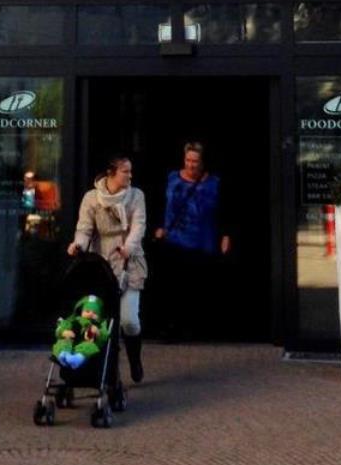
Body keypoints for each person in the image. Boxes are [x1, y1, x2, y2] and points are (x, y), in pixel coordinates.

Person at [67, 156, 147, 383]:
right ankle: (106, 370)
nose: (130, 176)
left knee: (129, 320)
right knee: (99, 320)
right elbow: (84, 229)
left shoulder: (136, 196)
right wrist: (78, 246)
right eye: (125, 171)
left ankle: (134, 358)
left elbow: (139, 226)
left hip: (128, 261)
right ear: (111, 173)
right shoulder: (92, 198)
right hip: (101, 264)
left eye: (130, 171)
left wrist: (128, 247)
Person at [152, 141, 232, 339]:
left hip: (202, 241)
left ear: (203, 162)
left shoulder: (215, 183)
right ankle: (170, 328)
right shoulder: (171, 178)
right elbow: (158, 203)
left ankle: (194, 329)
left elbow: (224, 210)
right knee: (173, 286)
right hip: (174, 240)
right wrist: (158, 227)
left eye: (195, 161)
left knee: (196, 287)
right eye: (188, 160)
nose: (191, 165)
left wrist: (225, 235)